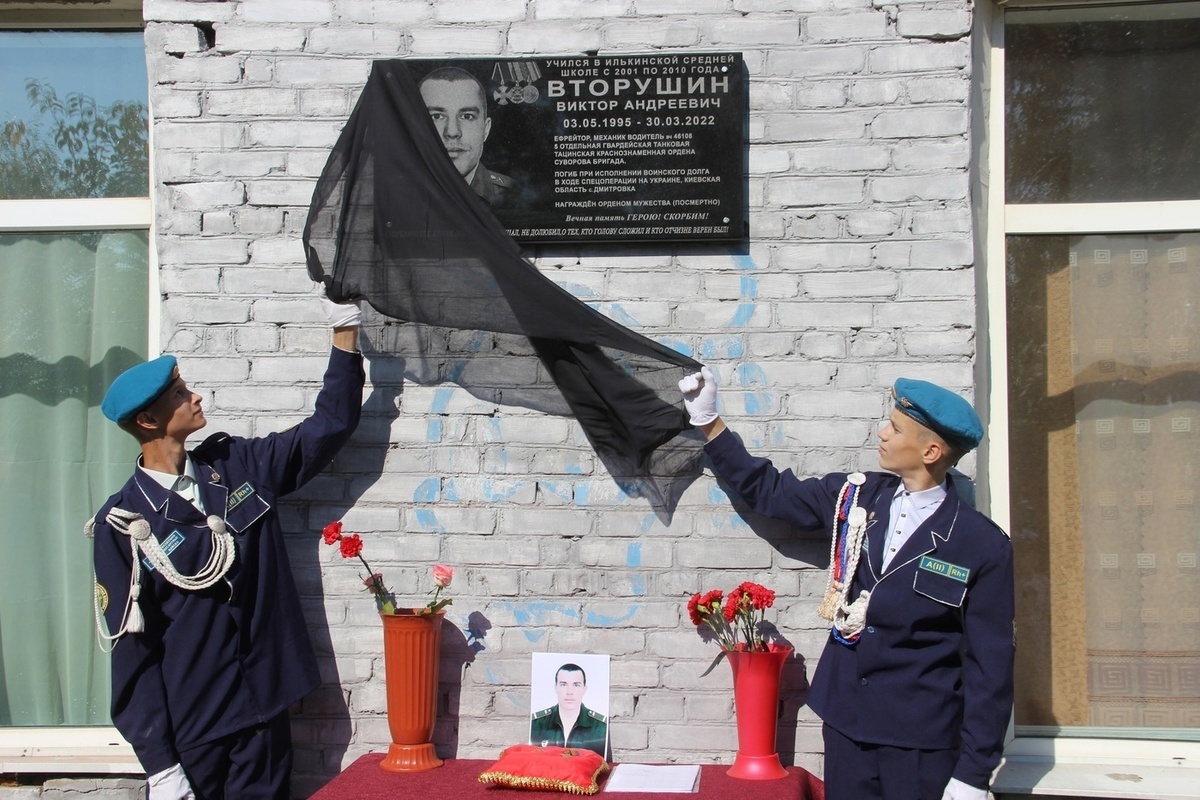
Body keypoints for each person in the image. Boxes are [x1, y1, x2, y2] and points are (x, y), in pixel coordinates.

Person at [679, 368, 1014, 800]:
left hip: (920, 744)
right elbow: (772, 493)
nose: (882, 432)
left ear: (930, 450)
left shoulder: (980, 544)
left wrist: (974, 772)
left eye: (895, 427)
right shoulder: (855, 498)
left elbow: (992, 668)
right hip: (847, 727)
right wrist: (710, 422)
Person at [87, 288, 366, 800]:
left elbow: (325, 430)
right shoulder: (123, 525)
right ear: (148, 421)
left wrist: (344, 335)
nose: (194, 396)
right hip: (198, 731)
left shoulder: (235, 466)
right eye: (178, 393)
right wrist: (160, 765)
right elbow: (132, 654)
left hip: (264, 711)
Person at [417, 66, 513, 206]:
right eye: (436, 116)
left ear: (485, 129)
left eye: (467, 116)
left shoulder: (513, 195)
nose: (452, 132)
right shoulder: (394, 193)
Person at [529, 663, 608, 758]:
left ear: (584, 689)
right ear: (556, 688)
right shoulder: (537, 723)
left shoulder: (601, 727)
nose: (569, 692)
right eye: (563, 684)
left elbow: (607, 768)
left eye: (576, 685)